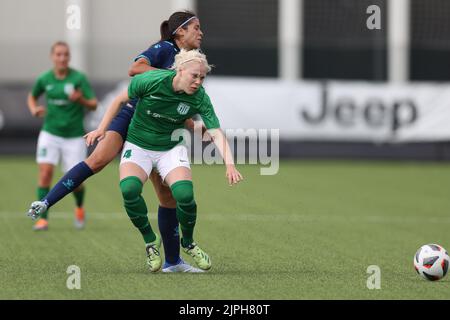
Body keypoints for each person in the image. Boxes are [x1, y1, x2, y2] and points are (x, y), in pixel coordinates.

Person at [28, 11, 207, 272]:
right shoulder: (164, 48)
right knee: (98, 160)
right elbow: (135, 68)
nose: (201, 33)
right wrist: (168, 76)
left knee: (166, 194)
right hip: (132, 114)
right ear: (180, 31)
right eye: (197, 28)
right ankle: (45, 202)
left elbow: (178, 102)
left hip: (159, 125)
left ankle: (172, 262)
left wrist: (193, 123)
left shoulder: (192, 62)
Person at [85, 49, 243, 272]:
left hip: (170, 148)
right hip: (138, 145)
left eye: (202, 77)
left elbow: (215, 132)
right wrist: (101, 129)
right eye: (194, 76)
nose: (198, 82)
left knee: (184, 196)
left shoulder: (200, 97)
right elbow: (119, 100)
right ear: (180, 69)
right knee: (129, 189)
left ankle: (187, 242)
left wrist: (230, 164)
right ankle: (150, 242)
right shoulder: (151, 80)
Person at [27, 41, 97, 230]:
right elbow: (32, 96)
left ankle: (80, 207)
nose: (62, 58)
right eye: (58, 54)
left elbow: (94, 104)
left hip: (74, 136)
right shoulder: (45, 79)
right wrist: (34, 109)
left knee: (75, 182)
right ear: (52, 57)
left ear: (69, 57)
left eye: (65, 54)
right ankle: (43, 218)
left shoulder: (79, 78)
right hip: (50, 133)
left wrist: (80, 99)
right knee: (45, 173)